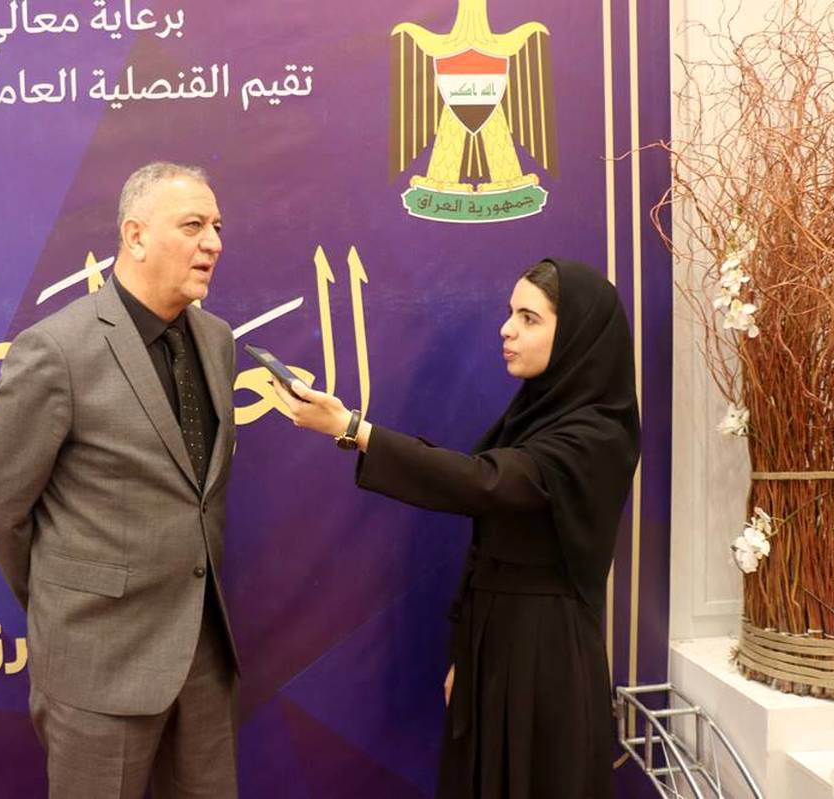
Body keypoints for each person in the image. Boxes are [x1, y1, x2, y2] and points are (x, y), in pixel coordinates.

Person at [272, 259, 640, 798]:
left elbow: (482, 483)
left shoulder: (596, 435)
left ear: (576, 337)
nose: (507, 329)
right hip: (494, 640)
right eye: (511, 314)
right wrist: (468, 655)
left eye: (529, 318)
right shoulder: (535, 416)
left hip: (545, 655)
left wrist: (353, 429)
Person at [0, 162, 240, 798]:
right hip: (98, 663)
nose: (213, 243)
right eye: (193, 226)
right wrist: (65, 602)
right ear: (135, 236)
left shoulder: (217, 341)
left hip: (202, 659)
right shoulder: (56, 350)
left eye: (217, 227)